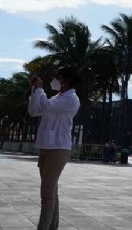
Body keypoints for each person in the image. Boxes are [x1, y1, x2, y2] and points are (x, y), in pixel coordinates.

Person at [29, 68, 81, 230]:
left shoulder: (71, 99)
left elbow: (46, 106)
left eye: (58, 78)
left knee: (47, 195)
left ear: (67, 81)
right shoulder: (57, 97)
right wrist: (35, 91)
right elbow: (34, 111)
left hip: (58, 148)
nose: (56, 81)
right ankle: (52, 226)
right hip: (46, 146)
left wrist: (41, 89)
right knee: (52, 192)